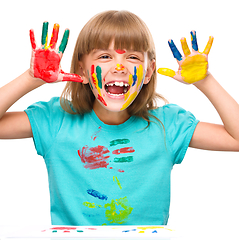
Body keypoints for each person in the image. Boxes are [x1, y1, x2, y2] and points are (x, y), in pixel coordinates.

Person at [0, 10, 239, 226]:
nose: (120, 66)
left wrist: (205, 81)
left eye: (133, 57)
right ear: (82, 70)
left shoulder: (167, 125)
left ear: (149, 71)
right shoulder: (56, 120)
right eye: (104, 57)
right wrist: (31, 78)